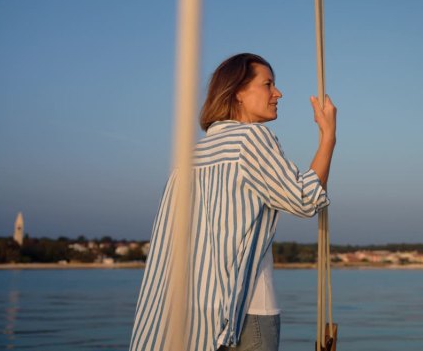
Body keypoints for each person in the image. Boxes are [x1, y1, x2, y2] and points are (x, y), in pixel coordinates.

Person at [129, 53, 337, 351]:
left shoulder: (189, 157)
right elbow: (304, 199)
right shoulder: (251, 139)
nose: (278, 93)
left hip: (191, 320)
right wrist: (328, 137)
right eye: (268, 84)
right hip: (246, 313)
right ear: (239, 91)